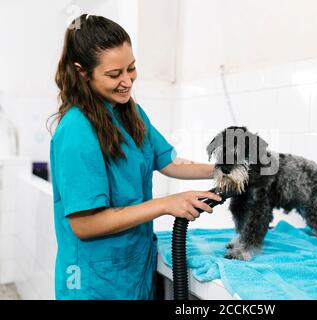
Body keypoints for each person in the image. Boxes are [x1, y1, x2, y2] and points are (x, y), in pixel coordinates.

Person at [49, 14, 221, 300]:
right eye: (115, 74)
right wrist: (166, 205)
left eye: (131, 69)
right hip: (93, 282)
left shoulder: (130, 113)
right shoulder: (76, 130)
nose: (127, 81)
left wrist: (223, 171)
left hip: (132, 270)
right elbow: (84, 224)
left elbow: (168, 162)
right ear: (82, 72)